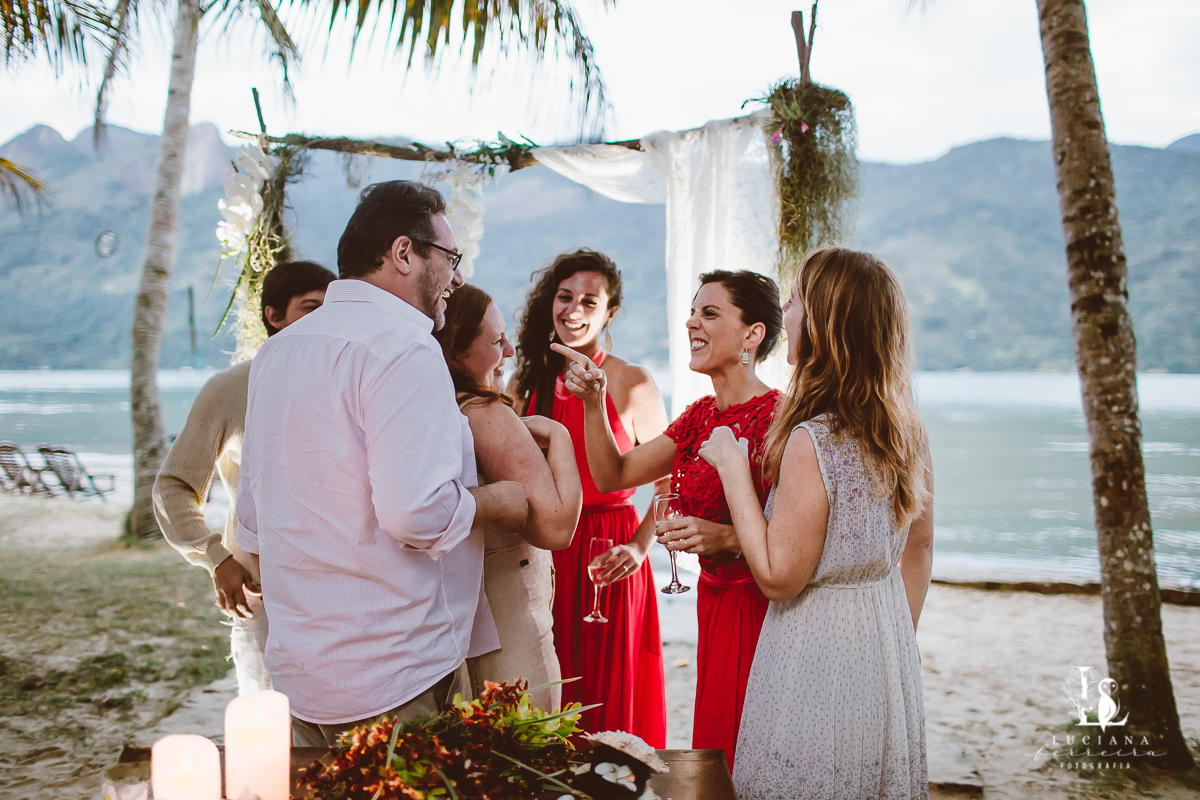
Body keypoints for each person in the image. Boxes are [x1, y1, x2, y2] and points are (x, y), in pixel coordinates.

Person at [235, 180, 529, 746]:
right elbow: (416, 515)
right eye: (450, 258)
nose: (458, 278)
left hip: (300, 673)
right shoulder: (403, 346)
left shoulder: (277, 353)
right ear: (403, 253)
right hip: (392, 676)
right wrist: (498, 499)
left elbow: (254, 520)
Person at [699, 248, 933, 799]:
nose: (786, 309)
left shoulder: (814, 440)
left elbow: (779, 576)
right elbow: (918, 548)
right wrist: (897, 638)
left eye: (797, 298)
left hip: (815, 648)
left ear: (827, 321)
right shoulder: (905, 430)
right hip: (884, 640)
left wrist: (734, 468)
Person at [556, 269, 782, 767]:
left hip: (761, 609)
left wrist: (726, 536)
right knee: (716, 747)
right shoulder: (699, 415)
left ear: (753, 334)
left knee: (751, 751)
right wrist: (595, 401)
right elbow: (614, 473)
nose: (690, 323)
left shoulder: (779, 418)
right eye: (692, 311)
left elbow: (799, 538)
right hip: (712, 601)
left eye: (709, 313)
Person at [153, 260, 335, 696]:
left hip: (341, 594)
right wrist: (217, 557)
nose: (324, 322)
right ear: (273, 316)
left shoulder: (342, 384)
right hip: (263, 597)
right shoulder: (231, 388)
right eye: (311, 308)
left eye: (332, 311)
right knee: (272, 736)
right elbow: (173, 487)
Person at [509, 249, 668, 746]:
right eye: (564, 297)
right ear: (549, 303)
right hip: (539, 552)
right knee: (544, 691)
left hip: (609, 552)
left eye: (589, 301)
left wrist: (640, 548)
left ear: (610, 313)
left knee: (607, 698)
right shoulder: (525, 382)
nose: (574, 310)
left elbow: (671, 486)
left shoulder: (633, 382)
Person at [433, 283, 583, 710]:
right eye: (497, 341)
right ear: (458, 354)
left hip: (465, 621)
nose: (511, 351)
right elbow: (556, 527)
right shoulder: (485, 412)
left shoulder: (441, 408)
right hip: (509, 619)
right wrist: (560, 436)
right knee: (533, 737)